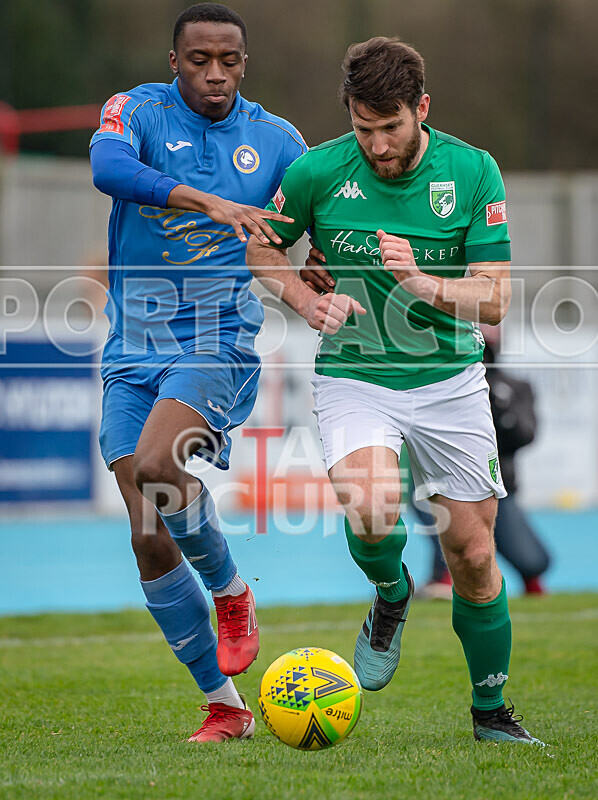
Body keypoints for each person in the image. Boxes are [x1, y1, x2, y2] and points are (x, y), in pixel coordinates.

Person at [247, 37, 544, 743]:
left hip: (451, 380)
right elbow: (261, 246)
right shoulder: (318, 170)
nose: (377, 144)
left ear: (422, 109)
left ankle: (491, 714)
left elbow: (496, 301)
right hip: (357, 376)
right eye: (362, 127)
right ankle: (389, 594)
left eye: (391, 126)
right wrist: (300, 297)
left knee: (473, 554)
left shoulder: (473, 171)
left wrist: (424, 283)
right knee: (375, 507)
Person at [89, 3, 305, 743]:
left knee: (155, 464)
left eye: (231, 61)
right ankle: (227, 706)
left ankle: (231, 588)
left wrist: (323, 282)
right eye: (200, 59)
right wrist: (202, 198)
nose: (216, 74)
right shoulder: (138, 110)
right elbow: (106, 168)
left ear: (245, 62)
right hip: (132, 342)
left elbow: (299, 228)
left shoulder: (277, 141)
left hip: (217, 336)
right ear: (173, 59)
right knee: (147, 529)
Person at [420, 335, 551, 598]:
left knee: (532, 561)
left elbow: (526, 435)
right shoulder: (439, 385)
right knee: (436, 509)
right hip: (447, 480)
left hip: (498, 487)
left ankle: (532, 585)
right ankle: (443, 577)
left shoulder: (513, 387)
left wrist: (498, 410)